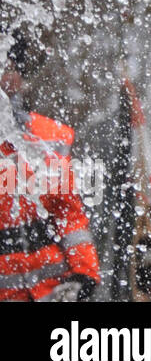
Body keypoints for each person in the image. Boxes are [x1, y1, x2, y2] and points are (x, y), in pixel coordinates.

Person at [0, 88, 100, 301]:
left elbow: (68, 213)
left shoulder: (45, 137)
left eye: (13, 67)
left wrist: (83, 271)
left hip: (54, 289)